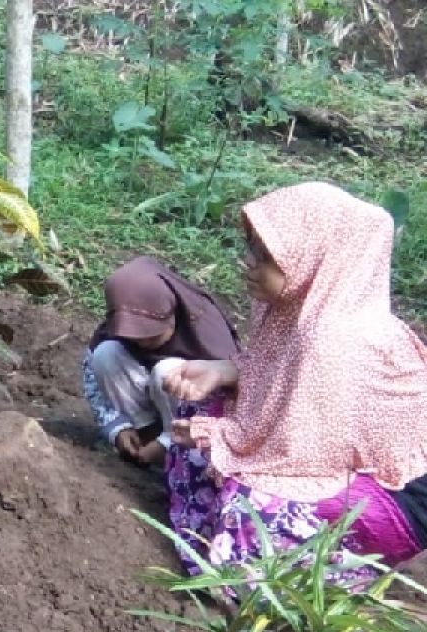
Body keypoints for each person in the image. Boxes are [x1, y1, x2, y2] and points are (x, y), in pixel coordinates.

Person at [163, 181, 427, 582]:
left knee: (254, 514)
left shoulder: (333, 337)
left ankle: (341, 573)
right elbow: (281, 381)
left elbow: (299, 458)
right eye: (250, 247)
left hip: (395, 500)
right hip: (323, 459)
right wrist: (223, 372)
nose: (247, 262)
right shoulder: (301, 309)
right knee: (204, 410)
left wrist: (219, 437)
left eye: (265, 255)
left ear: (314, 259)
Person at [82, 256, 239, 467]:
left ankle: (176, 455)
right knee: (106, 354)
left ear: (172, 314)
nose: (144, 343)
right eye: (135, 336)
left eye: (153, 335)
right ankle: (142, 438)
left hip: (194, 427)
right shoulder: (121, 322)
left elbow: (231, 402)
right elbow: (92, 374)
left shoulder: (205, 330)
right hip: (150, 410)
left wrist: (168, 441)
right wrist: (116, 426)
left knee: (167, 370)